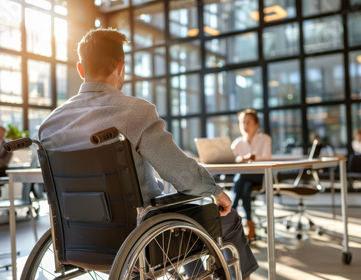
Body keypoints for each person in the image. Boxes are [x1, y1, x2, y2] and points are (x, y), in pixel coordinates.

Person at [38, 28, 257, 280]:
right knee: (227, 217)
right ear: (121, 68)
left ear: (80, 69)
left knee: (183, 220)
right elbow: (181, 173)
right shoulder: (135, 112)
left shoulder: (49, 126)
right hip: (141, 238)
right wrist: (216, 192)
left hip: (76, 239)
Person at [231, 109, 272, 242]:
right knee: (245, 186)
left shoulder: (265, 139)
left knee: (241, 178)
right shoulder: (239, 141)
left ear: (256, 124)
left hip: (260, 176)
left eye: (249, 122)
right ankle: (250, 223)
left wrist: (251, 157)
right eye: (242, 122)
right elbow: (228, 156)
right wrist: (238, 159)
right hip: (245, 179)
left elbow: (267, 158)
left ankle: (230, 217)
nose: (245, 126)